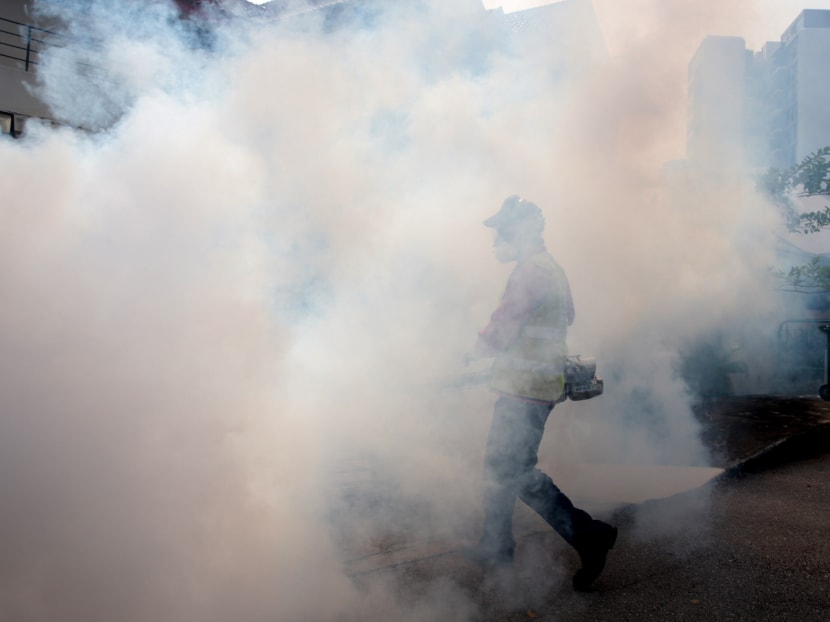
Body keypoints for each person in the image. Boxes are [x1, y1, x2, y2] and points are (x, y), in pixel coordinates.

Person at [464, 195, 617, 591]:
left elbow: (503, 327)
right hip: (535, 387)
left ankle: (589, 536)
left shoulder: (530, 272)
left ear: (519, 233)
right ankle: (495, 544)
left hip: (525, 391)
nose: (495, 241)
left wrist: (472, 352)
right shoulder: (552, 267)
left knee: (515, 472)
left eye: (500, 234)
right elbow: (567, 317)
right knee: (500, 468)